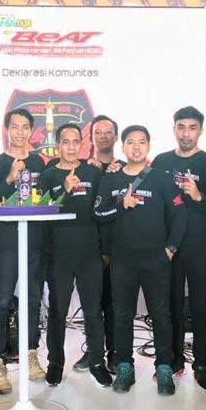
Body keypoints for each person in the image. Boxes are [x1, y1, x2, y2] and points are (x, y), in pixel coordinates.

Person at [94, 125, 187, 396]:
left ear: (148, 146)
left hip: (156, 259)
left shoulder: (161, 179)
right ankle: (124, 365)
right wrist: (120, 205)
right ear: (122, 146)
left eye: (142, 142)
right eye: (131, 142)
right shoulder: (111, 179)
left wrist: (170, 249)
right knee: (122, 315)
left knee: (160, 315)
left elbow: (180, 215)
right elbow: (99, 214)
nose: (136, 147)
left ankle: (164, 366)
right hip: (122, 261)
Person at [150, 106, 206, 389]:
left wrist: (198, 195)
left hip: (201, 247)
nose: (186, 133)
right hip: (170, 247)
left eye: (192, 127)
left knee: (202, 307)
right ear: (174, 129)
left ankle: (202, 365)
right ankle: (173, 360)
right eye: (181, 127)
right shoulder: (161, 161)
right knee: (171, 307)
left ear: (200, 130)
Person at [38, 123, 113, 387]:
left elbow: (102, 210)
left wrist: (105, 251)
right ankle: (55, 363)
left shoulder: (92, 171)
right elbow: (41, 211)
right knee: (57, 312)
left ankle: (97, 362)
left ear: (82, 144)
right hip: (59, 254)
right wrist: (63, 189)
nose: (71, 147)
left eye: (75, 141)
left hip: (89, 253)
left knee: (93, 311)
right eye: (65, 141)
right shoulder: (47, 176)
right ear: (58, 145)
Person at [0, 108, 48, 394]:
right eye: (14, 127)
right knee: (0, 300)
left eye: (25, 127)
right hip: (6, 240)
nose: (19, 132)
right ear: (7, 129)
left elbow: (47, 195)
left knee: (33, 299)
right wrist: (10, 177)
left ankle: (31, 353)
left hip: (34, 239)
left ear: (31, 131)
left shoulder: (39, 162)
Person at [69, 115, 125, 374]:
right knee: (92, 305)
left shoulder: (123, 169)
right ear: (90, 138)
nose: (103, 136)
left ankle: (114, 353)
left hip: (117, 246)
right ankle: (94, 353)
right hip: (89, 247)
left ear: (116, 136)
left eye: (108, 132)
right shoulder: (81, 169)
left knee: (114, 304)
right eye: (98, 132)